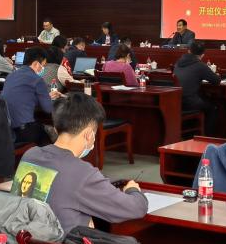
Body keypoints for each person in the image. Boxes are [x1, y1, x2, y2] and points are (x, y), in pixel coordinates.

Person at [12, 93, 147, 230]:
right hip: (65, 242)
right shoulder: (82, 173)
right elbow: (136, 208)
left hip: (24, 238)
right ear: (89, 134)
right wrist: (132, 190)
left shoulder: (30, 155)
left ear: (56, 129)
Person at [2, 47, 60, 146]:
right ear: (36, 64)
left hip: (6, 130)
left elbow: (24, 97)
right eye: (43, 66)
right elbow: (48, 109)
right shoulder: (37, 80)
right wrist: (51, 99)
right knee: (51, 135)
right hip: (24, 131)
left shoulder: (10, 76)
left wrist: (46, 96)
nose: (43, 69)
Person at [173, 41, 221, 135]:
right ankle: (207, 137)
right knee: (213, 108)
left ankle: (189, 134)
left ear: (189, 51)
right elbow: (216, 80)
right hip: (190, 102)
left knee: (203, 99)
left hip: (176, 101)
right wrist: (218, 75)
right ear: (202, 55)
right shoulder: (200, 65)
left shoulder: (178, 62)